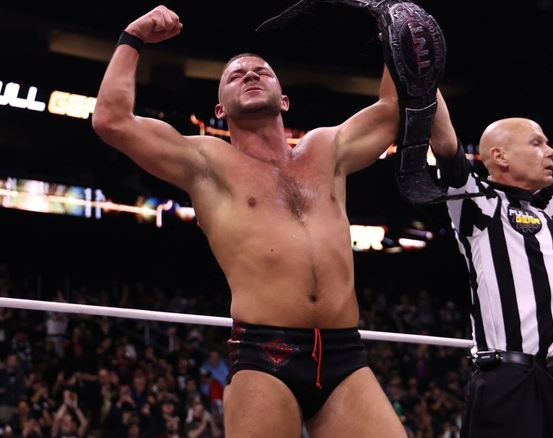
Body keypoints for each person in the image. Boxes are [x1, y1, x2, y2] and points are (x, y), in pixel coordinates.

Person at [91, 5, 408, 437]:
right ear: (219, 109)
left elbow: (392, 108)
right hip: (266, 353)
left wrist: (390, 29)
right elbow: (112, 121)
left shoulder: (326, 148)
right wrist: (133, 36)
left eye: (261, 71)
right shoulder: (206, 161)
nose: (250, 75)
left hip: (344, 351)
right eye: (236, 75)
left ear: (284, 100)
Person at [427, 34, 553, 437]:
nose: (550, 151)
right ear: (499, 157)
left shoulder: (547, 203)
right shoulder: (477, 202)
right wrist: (418, 64)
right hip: (506, 379)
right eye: (537, 143)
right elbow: (445, 141)